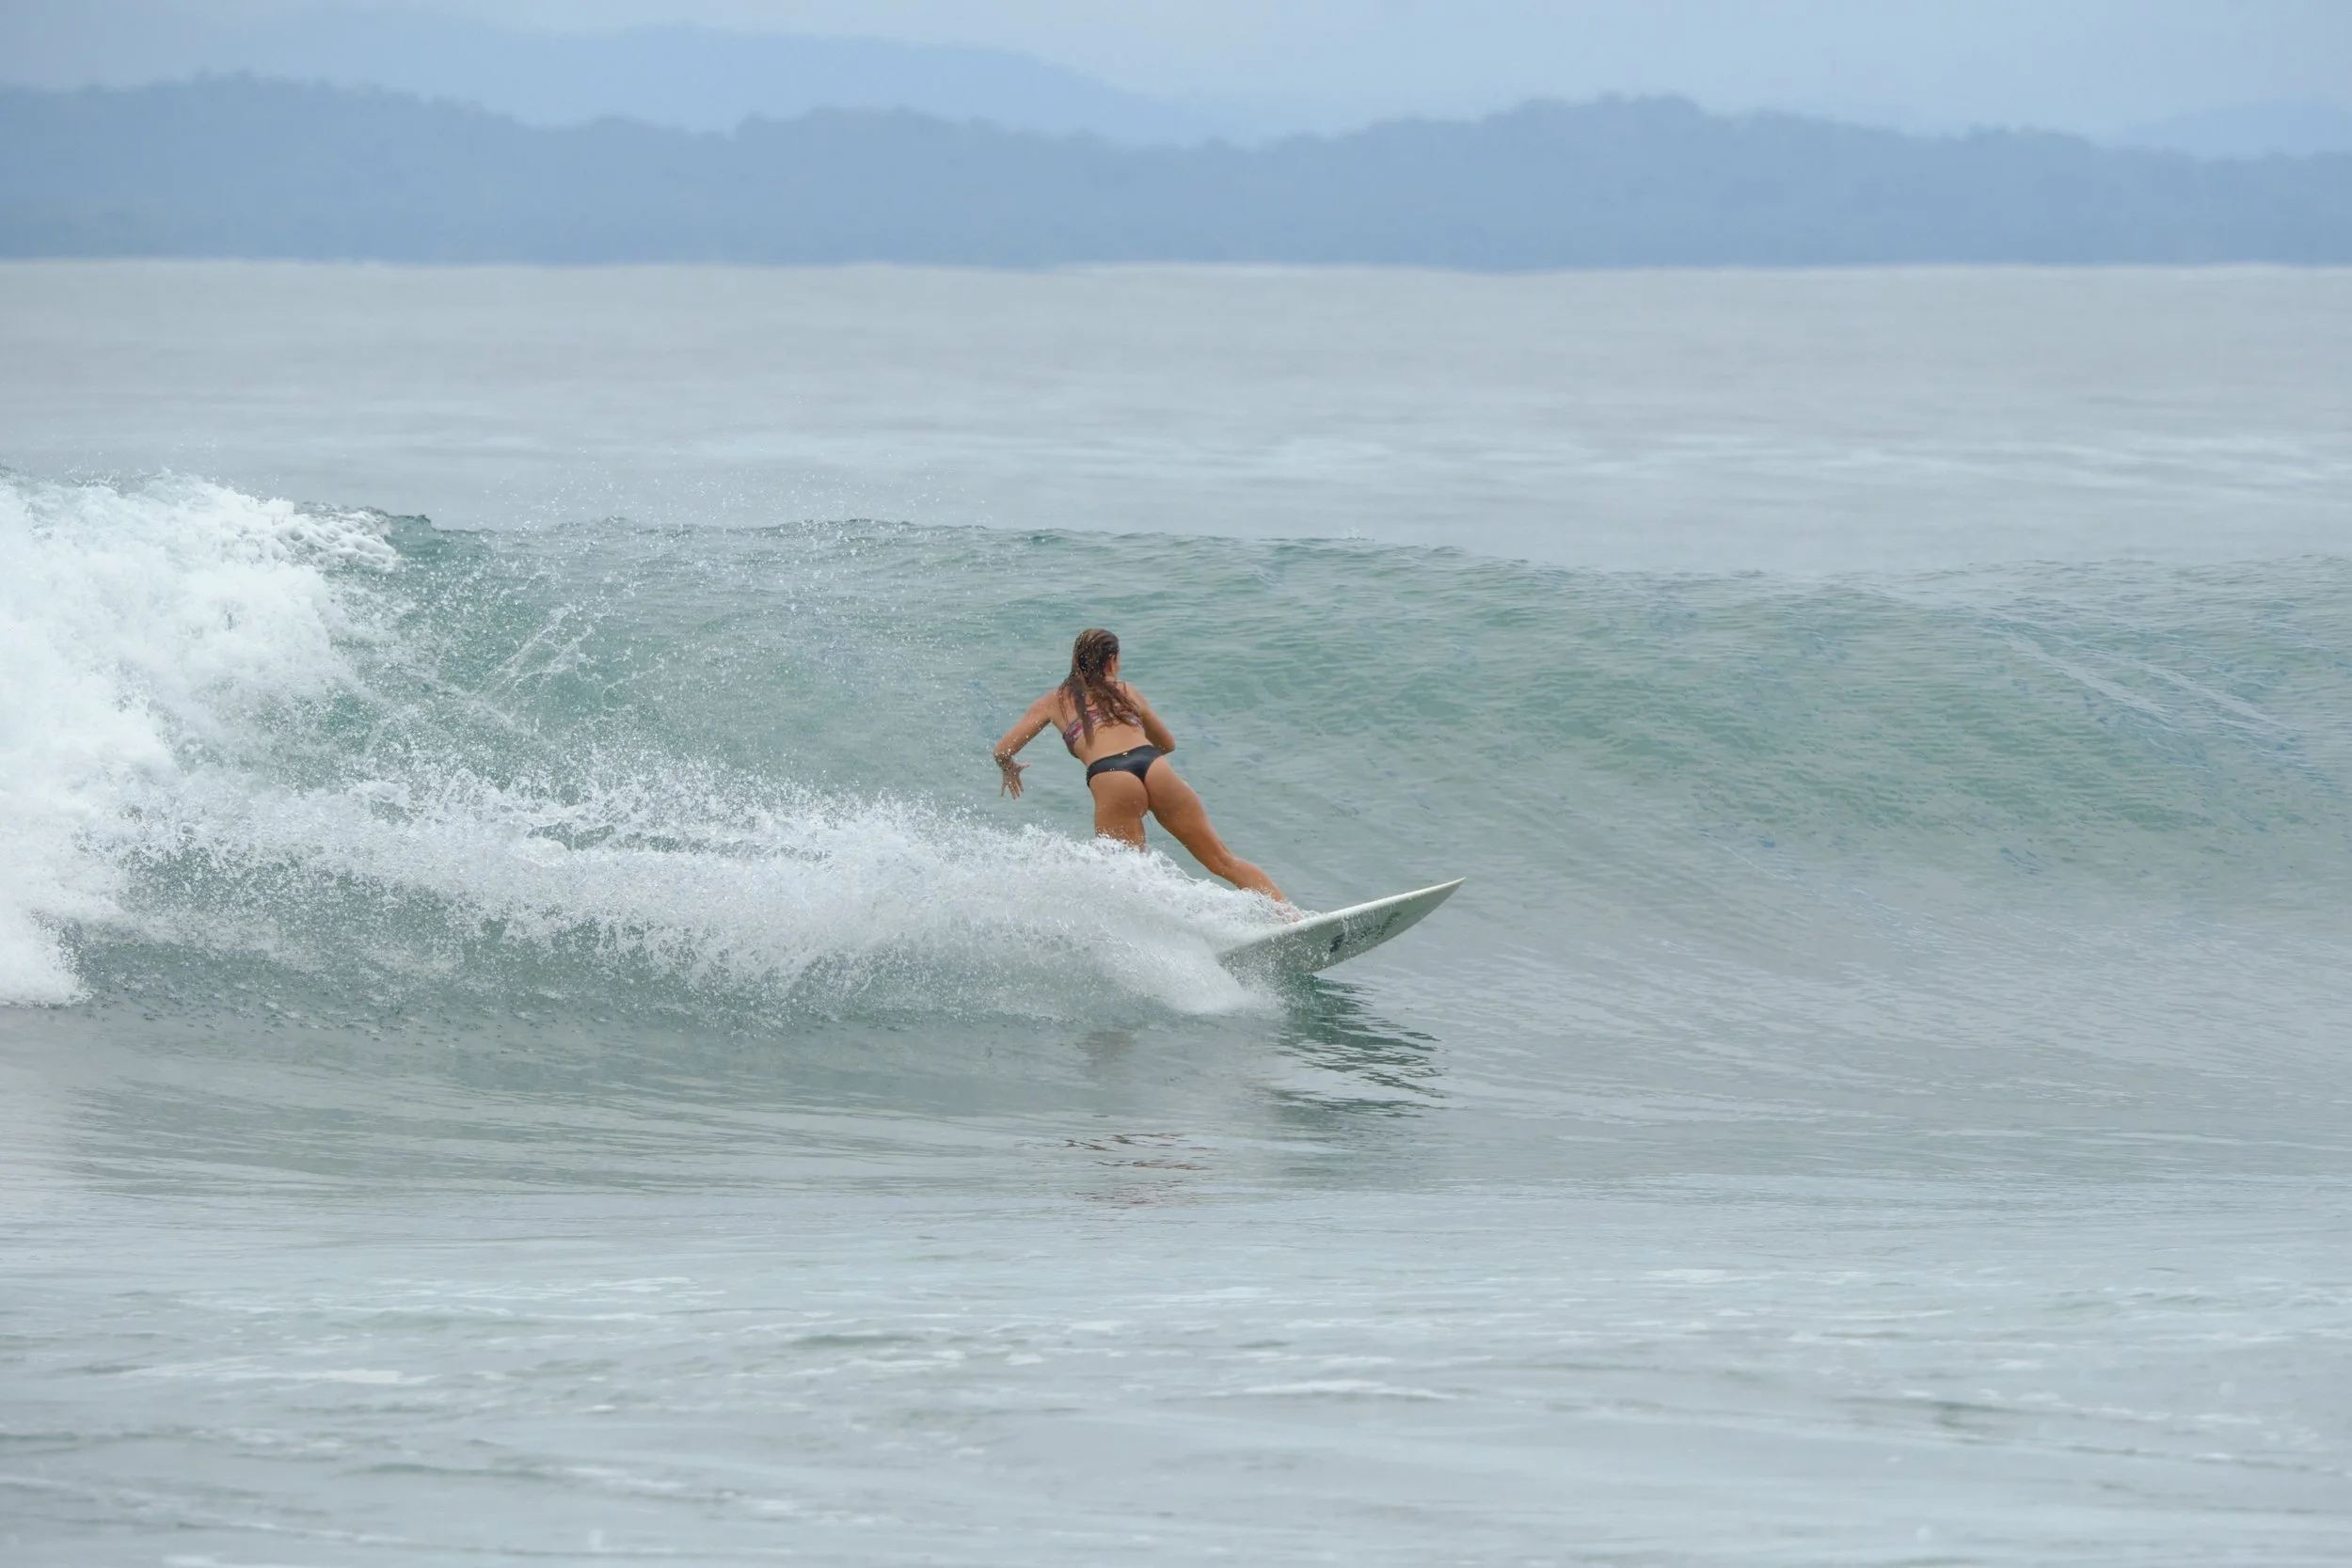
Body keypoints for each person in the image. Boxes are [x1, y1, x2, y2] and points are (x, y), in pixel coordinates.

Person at [994, 628, 1287, 903]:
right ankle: (1290, 916)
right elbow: (1168, 744)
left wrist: (1009, 767)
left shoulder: (1052, 702)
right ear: (1111, 661)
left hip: (1110, 776)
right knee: (1224, 860)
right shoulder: (1126, 691)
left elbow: (1002, 750)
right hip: (1153, 765)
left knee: (1123, 881)